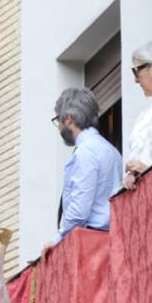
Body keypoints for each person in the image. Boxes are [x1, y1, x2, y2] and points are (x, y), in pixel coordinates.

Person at [52, 87, 123, 244]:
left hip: (90, 242)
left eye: (58, 120)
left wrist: (58, 239)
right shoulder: (112, 151)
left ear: (68, 118)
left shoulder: (85, 152)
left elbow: (79, 211)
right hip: (111, 240)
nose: (59, 127)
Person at [123, 40, 152, 190]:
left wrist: (147, 171)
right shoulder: (146, 115)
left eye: (136, 70)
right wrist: (132, 175)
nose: (135, 80)